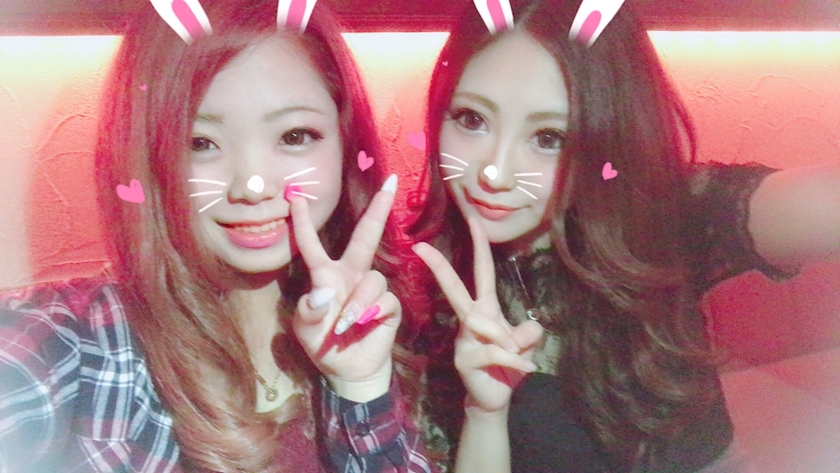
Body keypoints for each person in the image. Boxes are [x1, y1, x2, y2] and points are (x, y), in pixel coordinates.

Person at [408, 1, 840, 472]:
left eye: (549, 138)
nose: (495, 173)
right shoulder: (427, 284)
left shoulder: (660, 217)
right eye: (472, 119)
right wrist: (482, 411)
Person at [0, 0, 432, 471]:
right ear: (148, 155)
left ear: (346, 143)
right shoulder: (74, 343)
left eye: (294, 136)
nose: (252, 186)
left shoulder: (393, 325)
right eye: (199, 143)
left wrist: (360, 385)